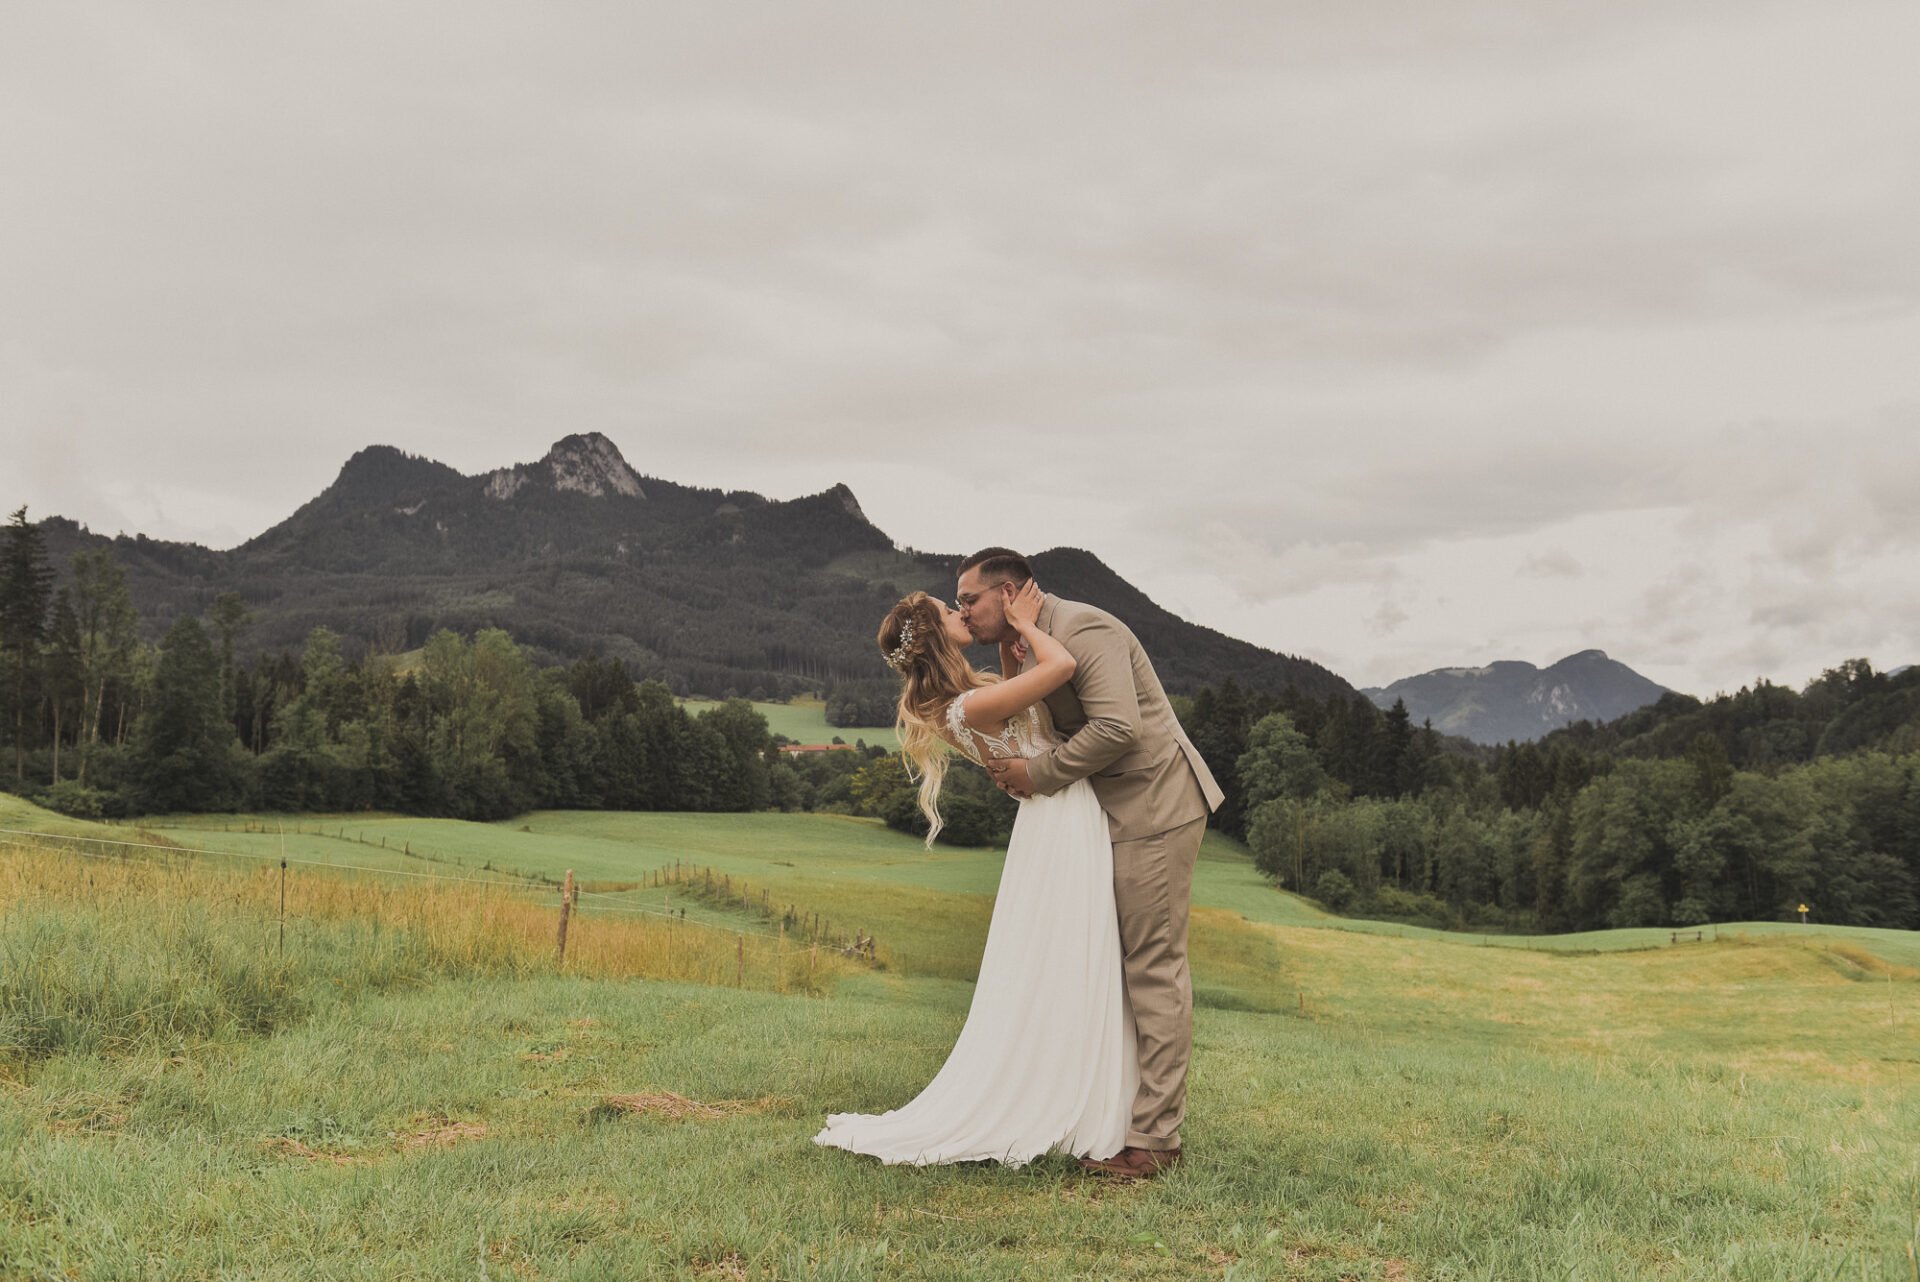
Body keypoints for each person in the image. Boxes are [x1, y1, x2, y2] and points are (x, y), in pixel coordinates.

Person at [811, 580, 1138, 1167]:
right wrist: (1025, 622)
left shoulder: (959, 703)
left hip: (1056, 817)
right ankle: (1072, 1097)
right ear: (937, 634)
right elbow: (1061, 665)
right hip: (1060, 820)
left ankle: (1084, 1086)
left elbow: (1022, 709)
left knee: (1071, 952)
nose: (959, 609)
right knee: (1072, 950)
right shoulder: (965, 708)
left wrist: (1010, 651)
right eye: (947, 608)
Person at [954, 548, 1223, 1181]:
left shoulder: (1085, 629)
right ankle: (1107, 1113)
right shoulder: (1029, 639)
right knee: (1110, 963)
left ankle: (1156, 1141)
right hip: (1107, 812)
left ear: (1011, 590)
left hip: (1154, 808)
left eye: (970, 599)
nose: (963, 611)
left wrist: (1037, 776)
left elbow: (1118, 728)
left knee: (1152, 967)